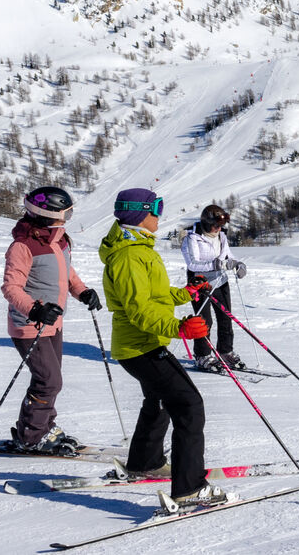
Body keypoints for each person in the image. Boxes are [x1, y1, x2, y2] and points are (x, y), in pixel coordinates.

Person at [99, 187, 235, 510]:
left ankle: (144, 461)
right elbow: (139, 310)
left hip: (141, 344)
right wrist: (179, 327)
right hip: (140, 345)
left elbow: (154, 295)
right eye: (155, 207)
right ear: (139, 214)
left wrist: (185, 293)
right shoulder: (131, 256)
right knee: (189, 405)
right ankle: (188, 488)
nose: (159, 214)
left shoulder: (139, 248)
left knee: (159, 399)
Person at [1, 186, 102, 455]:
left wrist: (83, 292)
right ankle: (32, 436)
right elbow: (11, 288)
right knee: (49, 380)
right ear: (47, 214)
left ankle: (41, 426)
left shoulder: (58, 240)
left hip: (52, 322)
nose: (68, 217)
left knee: (50, 379)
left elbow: (66, 272)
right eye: (65, 213)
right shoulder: (23, 246)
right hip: (29, 324)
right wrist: (35, 310)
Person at [180, 205, 247, 373]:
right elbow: (192, 263)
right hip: (199, 283)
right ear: (206, 222)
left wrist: (238, 264)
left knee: (226, 318)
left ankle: (225, 352)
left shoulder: (221, 237)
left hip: (220, 281)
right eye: (215, 225)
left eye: (221, 225)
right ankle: (202, 355)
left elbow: (228, 256)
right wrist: (217, 264)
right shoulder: (192, 238)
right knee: (204, 321)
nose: (218, 228)